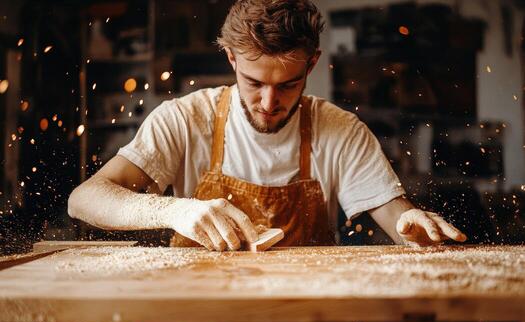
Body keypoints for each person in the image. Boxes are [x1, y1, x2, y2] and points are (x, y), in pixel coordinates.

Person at [68, 0, 467, 251]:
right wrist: (175, 211)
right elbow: (84, 199)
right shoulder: (184, 119)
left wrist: (409, 227)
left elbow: (398, 220)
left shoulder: (341, 131)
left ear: (312, 64)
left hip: (308, 308)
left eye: (289, 84)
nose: (269, 102)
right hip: (198, 303)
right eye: (254, 83)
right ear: (231, 61)